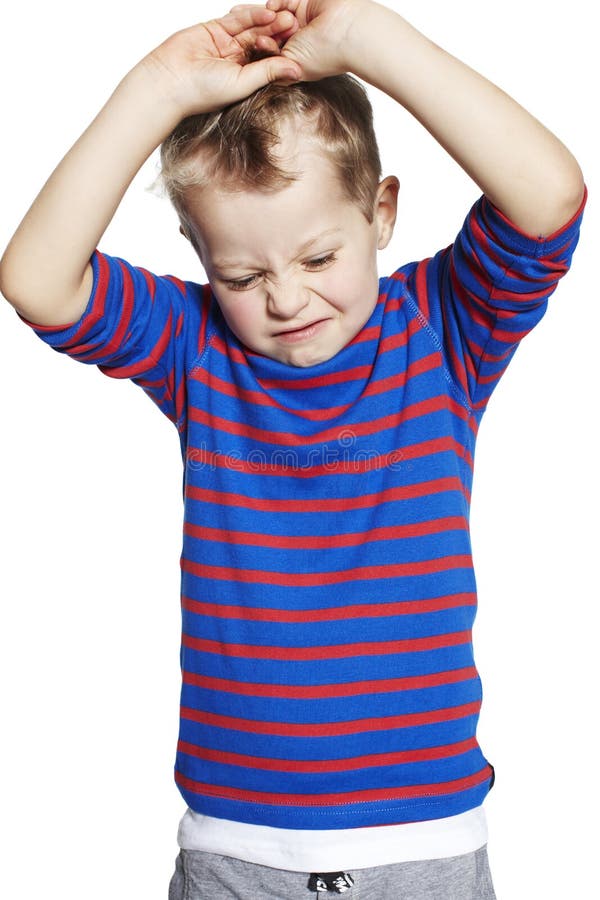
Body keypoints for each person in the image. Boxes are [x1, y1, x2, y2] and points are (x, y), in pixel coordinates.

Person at [0, 0, 587, 897]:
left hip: (423, 839)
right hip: (239, 844)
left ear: (381, 212)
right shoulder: (197, 351)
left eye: (319, 258)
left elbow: (549, 199)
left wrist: (367, 41)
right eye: (241, 274)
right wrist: (156, 89)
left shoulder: (444, 330)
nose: (284, 300)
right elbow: (38, 281)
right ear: (200, 257)